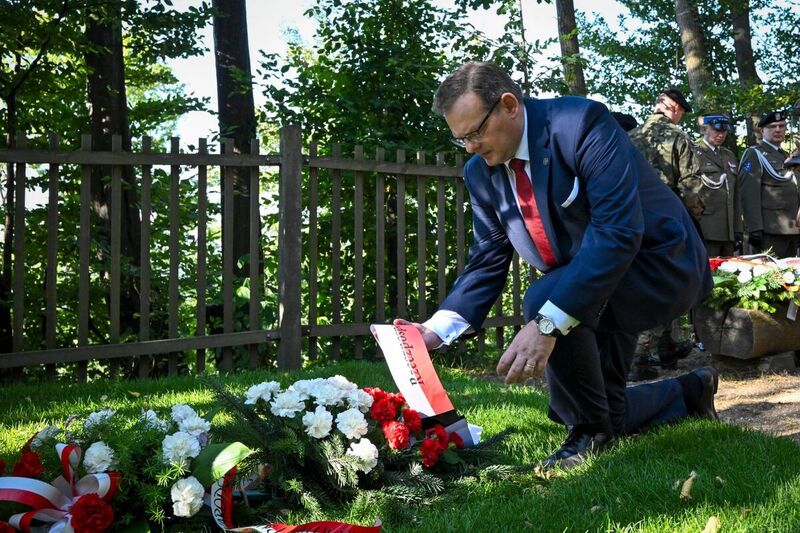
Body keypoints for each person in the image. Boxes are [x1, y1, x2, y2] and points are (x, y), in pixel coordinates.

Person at [394, 62, 716, 470]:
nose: (471, 147)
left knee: (546, 297)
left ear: (509, 105)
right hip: (593, 284)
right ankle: (690, 392)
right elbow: (489, 256)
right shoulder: (480, 172)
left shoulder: (579, 123)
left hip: (655, 263)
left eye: (475, 133)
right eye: (462, 140)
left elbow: (618, 231)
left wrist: (548, 323)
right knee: (602, 408)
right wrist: (435, 332)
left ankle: (588, 437)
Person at [627, 88, 702, 374]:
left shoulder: (630, 137)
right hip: (666, 219)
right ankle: (634, 359)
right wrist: (693, 220)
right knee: (666, 283)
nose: (681, 116)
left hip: (631, 220)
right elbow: (691, 184)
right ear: (672, 108)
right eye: (681, 111)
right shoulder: (678, 137)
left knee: (641, 283)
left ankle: (666, 347)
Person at [739, 111, 800, 258]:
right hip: (770, 230)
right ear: (762, 131)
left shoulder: (787, 156)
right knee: (768, 276)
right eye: (773, 126)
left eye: (781, 126)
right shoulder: (755, 154)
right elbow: (749, 194)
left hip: (792, 229)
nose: (778, 130)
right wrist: (755, 228)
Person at [694, 114, 743, 256]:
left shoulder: (728, 155)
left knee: (729, 274)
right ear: (704, 129)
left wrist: (737, 228)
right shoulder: (694, 153)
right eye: (716, 130)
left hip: (728, 230)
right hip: (706, 229)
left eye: (724, 131)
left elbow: (736, 194)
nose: (721, 134)